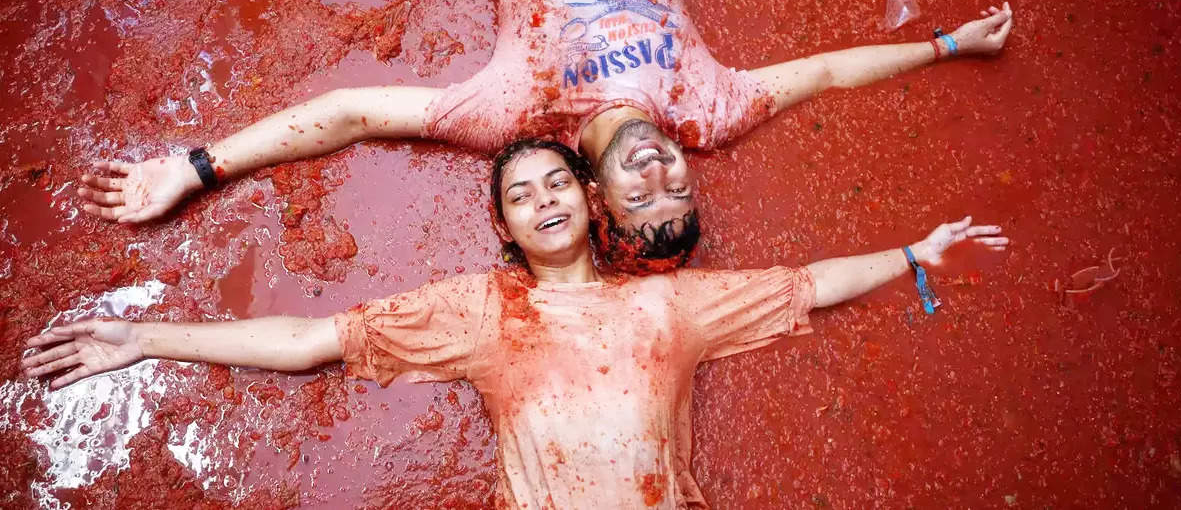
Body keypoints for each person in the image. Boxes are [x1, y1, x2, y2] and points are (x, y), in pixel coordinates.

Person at [31, 139, 1010, 508]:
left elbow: (804, 282)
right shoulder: (478, 308)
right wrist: (148, 337)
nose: (542, 201)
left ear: (588, 202)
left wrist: (914, 253)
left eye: (556, 185)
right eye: (519, 195)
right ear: (503, 225)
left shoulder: (668, 303)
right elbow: (314, 340)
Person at [76, 0, 1013, 267]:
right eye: (672, 186)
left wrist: (195, 168)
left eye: (641, 197)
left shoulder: (515, 113)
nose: (658, 174)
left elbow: (353, 112)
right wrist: (946, 46)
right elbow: (832, 73)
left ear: (600, 202)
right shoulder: (708, 107)